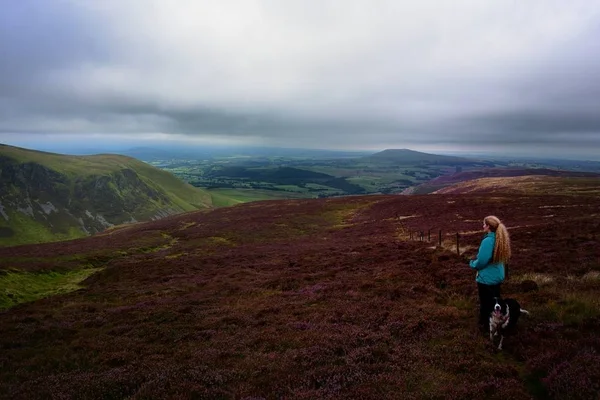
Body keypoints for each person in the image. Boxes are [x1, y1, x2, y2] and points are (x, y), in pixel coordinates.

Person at [469, 215, 511, 332]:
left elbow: (482, 261)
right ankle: (500, 325)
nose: (483, 226)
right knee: (496, 302)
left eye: (484, 224)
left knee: (486, 304)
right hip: (497, 276)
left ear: (488, 226)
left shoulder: (488, 241)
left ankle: (485, 327)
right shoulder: (500, 239)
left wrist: (472, 264)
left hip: (486, 279)